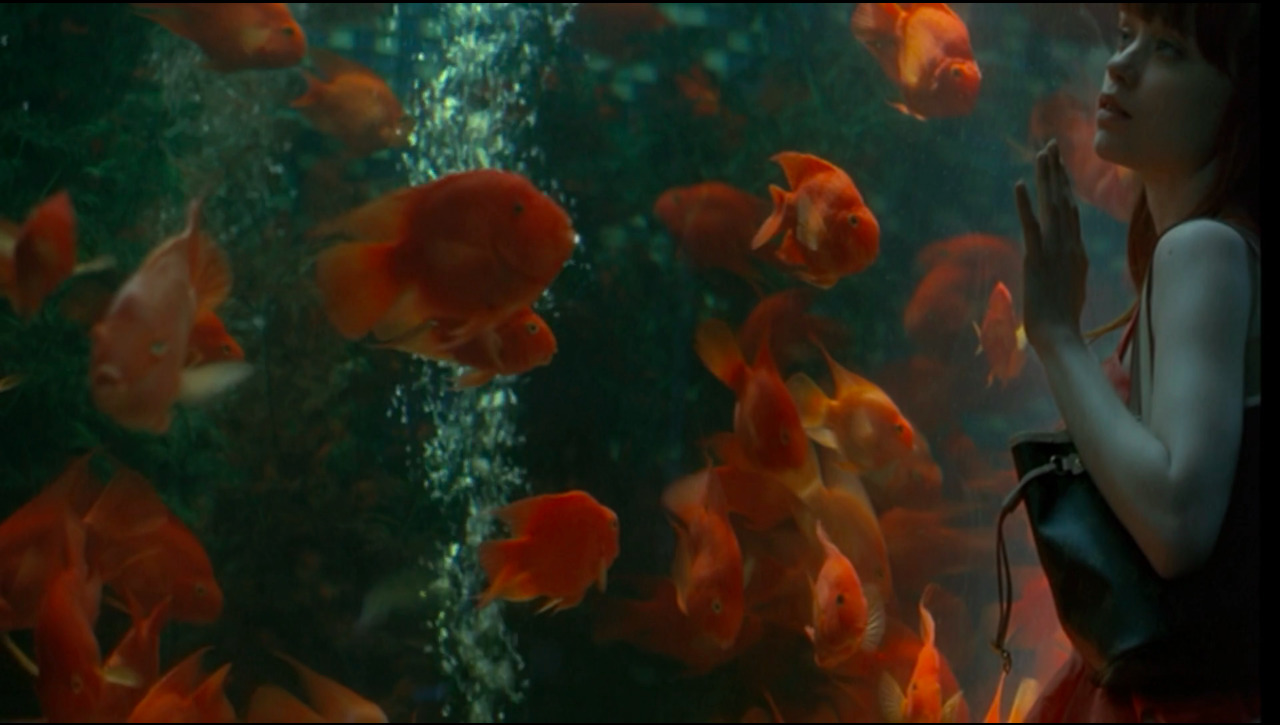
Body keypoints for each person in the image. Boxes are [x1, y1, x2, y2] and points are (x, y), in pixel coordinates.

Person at [1012, 3, 1260, 723]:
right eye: (1126, 37)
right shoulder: (1205, 249)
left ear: (1242, 102)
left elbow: (1178, 523)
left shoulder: (1203, 250)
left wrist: (1056, 332)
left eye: (1172, 50)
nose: (1121, 66)